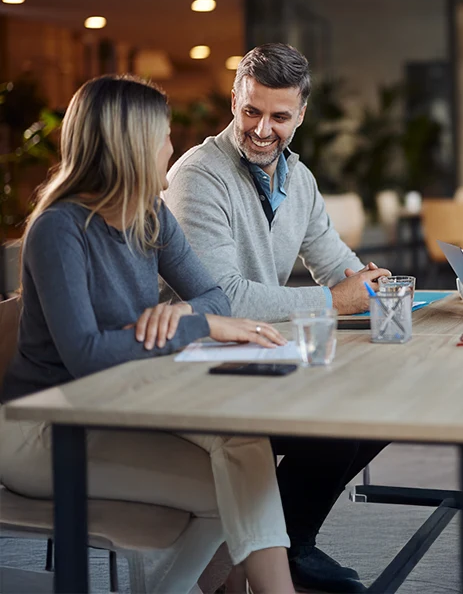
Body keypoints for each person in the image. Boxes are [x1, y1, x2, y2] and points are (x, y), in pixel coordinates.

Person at [0, 75, 296, 594]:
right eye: (163, 135)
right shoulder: (58, 229)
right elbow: (88, 355)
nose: (171, 147)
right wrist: (194, 324)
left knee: (246, 442)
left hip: (123, 403)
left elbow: (215, 296)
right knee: (242, 489)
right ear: (132, 145)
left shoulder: (150, 215)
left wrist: (184, 311)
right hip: (43, 430)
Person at [164, 43, 387, 593]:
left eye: (279, 117)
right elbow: (224, 298)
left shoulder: (300, 180)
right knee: (334, 422)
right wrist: (336, 302)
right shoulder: (198, 176)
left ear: (301, 116)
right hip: (198, 365)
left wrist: (381, 292)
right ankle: (280, 552)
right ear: (234, 100)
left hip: (262, 351)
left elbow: (336, 265)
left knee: (376, 407)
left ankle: (288, 542)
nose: (263, 129)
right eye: (251, 111)